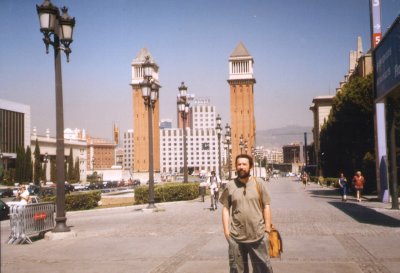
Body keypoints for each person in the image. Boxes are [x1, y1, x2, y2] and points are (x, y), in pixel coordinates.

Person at [220, 154, 274, 273]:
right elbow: (225, 209)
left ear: (250, 167)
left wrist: (267, 230)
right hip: (236, 238)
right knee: (237, 270)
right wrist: (226, 232)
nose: (241, 167)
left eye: (244, 164)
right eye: (239, 164)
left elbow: (266, 206)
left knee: (263, 270)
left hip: (258, 236)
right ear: (236, 166)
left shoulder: (258, 183)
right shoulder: (230, 186)